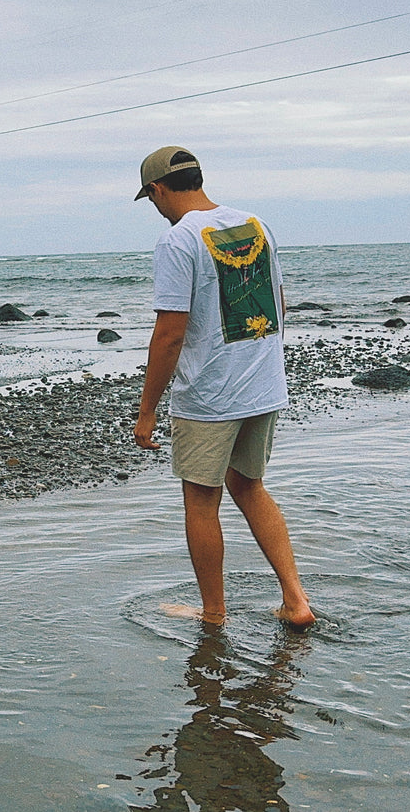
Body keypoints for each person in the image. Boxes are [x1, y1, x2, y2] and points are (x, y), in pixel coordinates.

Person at [132, 147, 314, 628]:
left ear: (158, 190)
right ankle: (296, 601)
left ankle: (213, 616)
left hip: (211, 394)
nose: (155, 207)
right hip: (264, 384)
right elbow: (279, 302)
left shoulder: (178, 240)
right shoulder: (256, 224)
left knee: (201, 500)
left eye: (151, 199)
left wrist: (147, 408)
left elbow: (171, 331)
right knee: (250, 487)